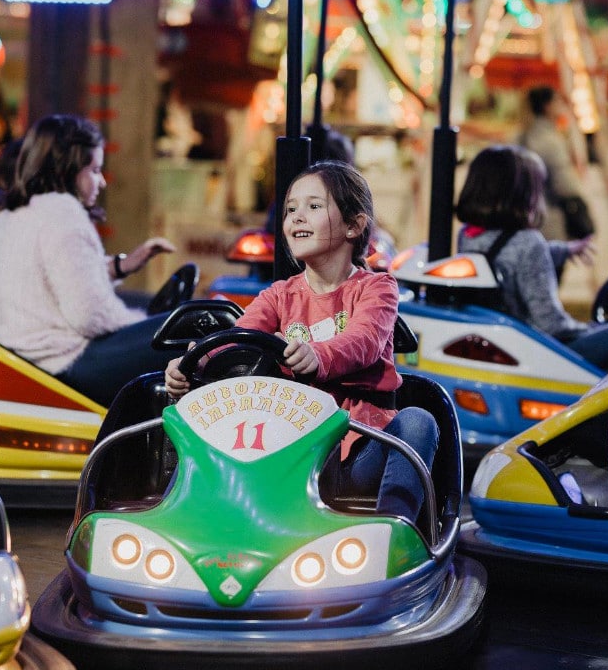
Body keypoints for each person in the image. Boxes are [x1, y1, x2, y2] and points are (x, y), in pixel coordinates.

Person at [165, 161, 437, 524]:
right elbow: (235, 341)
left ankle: (390, 533)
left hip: (356, 448)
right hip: (289, 444)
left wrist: (318, 356)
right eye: (291, 209)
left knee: (419, 422)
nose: (296, 217)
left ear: (353, 226)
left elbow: (364, 340)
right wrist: (190, 364)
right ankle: (176, 522)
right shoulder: (280, 295)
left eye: (313, 206)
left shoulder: (376, 288)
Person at [0, 114, 179, 406]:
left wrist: (121, 266)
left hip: (23, 352)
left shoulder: (7, 213)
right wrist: (141, 322)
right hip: (63, 360)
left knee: (167, 316)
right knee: (195, 323)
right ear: (69, 169)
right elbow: (89, 316)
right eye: (95, 170)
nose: (102, 182)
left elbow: (45, 281)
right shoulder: (62, 214)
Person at [455, 144, 608, 371]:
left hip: (505, 344)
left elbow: (510, 256)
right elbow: (551, 325)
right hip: (542, 353)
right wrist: (588, 328)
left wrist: (564, 251)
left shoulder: (468, 235)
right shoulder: (528, 242)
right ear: (523, 195)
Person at [517, 86, 593, 241]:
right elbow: (564, 185)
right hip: (549, 219)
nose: (562, 105)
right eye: (558, 101)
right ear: (547, 106)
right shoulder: (550, 141)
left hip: (524, 218)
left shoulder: (523, 136)